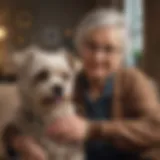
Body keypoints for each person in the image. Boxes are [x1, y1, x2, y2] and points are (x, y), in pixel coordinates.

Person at [4, 8, 160, 160]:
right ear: (80, 47)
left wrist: (91, 129)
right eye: (91, 46)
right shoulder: (69, 80)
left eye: (109, 49)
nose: (98, 57)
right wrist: (19, 142)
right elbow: (17, 124)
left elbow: (156, 128)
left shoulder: (132, 80)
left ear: (121, 55)